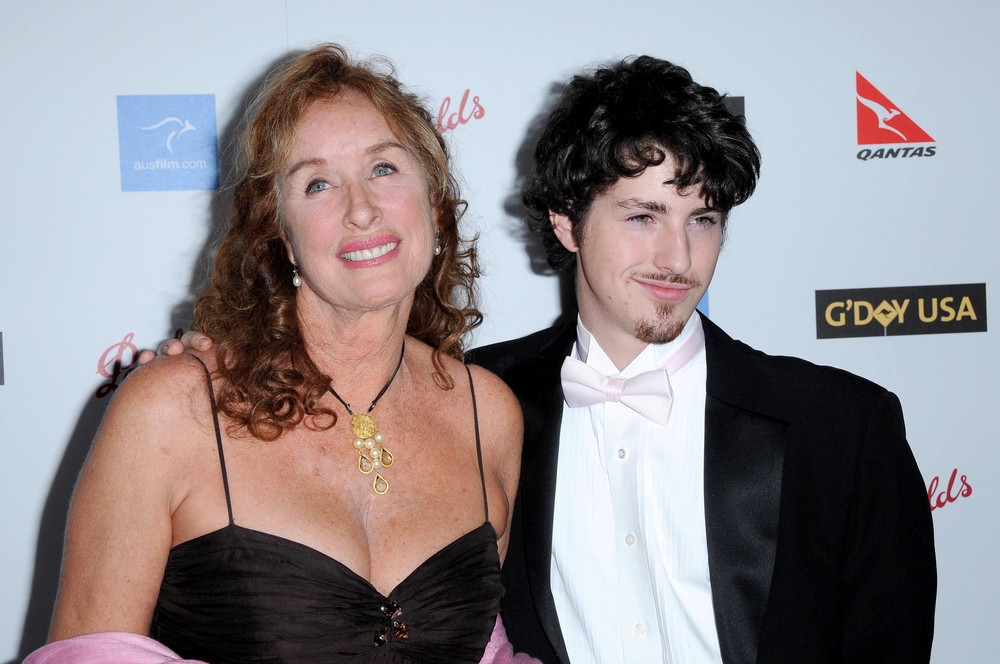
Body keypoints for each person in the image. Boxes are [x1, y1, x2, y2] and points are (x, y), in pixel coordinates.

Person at [155, 55, 938, 663]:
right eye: (641, 215)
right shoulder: (473, 408)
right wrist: (209, 365)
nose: (677, 256)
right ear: (566, 223)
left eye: (703, 219)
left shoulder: (844, 428)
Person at [43, 44, 527, 664]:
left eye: (384, 169)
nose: (361, 209)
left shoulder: (488, 413)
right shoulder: (172, 408)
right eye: (317, 183)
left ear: (433, 203)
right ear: (282, 237)